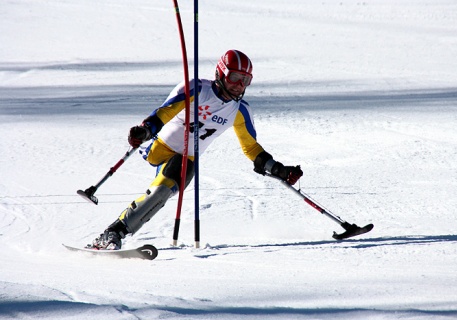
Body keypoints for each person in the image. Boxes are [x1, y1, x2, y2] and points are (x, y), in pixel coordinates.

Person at [90, 49, 303, 250]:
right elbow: (164, 113)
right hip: (160, 148)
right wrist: (145, 131)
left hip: (187, 158)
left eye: (246, 80)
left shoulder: (240, 111)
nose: (239, 85)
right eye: (235, 77)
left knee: (163, 190)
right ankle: (112, 233)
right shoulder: (197, 89)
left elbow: (251, 148)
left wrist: (278, 169)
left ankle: (114, 233)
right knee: (166, 183)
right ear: (220, 73)